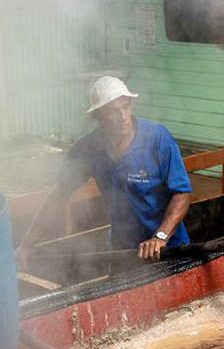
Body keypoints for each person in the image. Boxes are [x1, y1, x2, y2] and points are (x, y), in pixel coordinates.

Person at [16, 76, 191, 268]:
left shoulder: (157, 138)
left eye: (126, 107)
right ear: (97, 116)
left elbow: (182, 193)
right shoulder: (87, 148)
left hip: (166, 247)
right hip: (122, 250)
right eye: (113, 111)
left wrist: (160, 236)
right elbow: (58, 196)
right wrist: (26, 244)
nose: (123, 117)